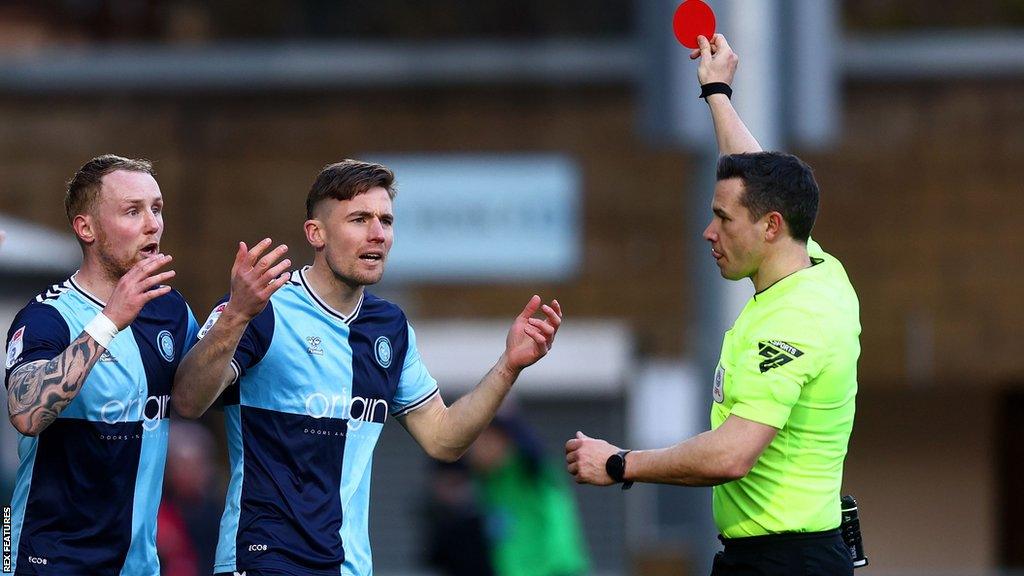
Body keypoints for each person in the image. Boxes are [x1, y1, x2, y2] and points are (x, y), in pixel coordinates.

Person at [171, 159, 562, 576]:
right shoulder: (262, 308)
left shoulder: (390, 328)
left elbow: (444, 440)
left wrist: (508, 366)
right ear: (315, 234)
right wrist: (235, 316)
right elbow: (188, 400)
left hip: (349, 567)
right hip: (262, 560)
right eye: (359, 219)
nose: (378, 233)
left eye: (386, 221)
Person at [565, 34, 859, 576]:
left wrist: (619, 462)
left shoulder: (796, 319)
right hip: (778, 558)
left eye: (723, 219)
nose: (708, 231)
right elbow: (753, 170)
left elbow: (730, 455)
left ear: (771, 227)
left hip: (785, 564)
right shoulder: (818, 268)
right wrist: (717, 90)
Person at [4, 155, 198, 575]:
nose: (153, 224)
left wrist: (237, 315)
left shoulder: (172, 312)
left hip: (137, 565)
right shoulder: (46, 317)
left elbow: (195, 401)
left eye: (157, 208)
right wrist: (110, 320)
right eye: (133, 211)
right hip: (45, 560)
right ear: (86, 228)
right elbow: (25, 412)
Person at [465, 414, 590, 576]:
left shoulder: (530, 470)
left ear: (503, 440)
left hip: (554, 569)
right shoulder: (488, 482)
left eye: (483, 441)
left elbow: (532, 447)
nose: (474, 450)